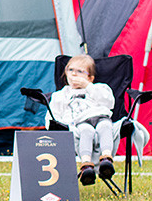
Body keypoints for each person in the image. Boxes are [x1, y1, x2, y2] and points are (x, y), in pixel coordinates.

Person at [48, 54, 116, 185]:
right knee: (86, 131)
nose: (74, 74)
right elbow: (53, 115)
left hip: (101, 117)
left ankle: (106, 159)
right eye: (70, 70)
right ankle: (86, 165)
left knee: (106, 127)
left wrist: (88, 86)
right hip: (80, 123)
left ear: (90, 78)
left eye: (80, 71)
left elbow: (109, 102)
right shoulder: (61, 95)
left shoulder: (99, 88)